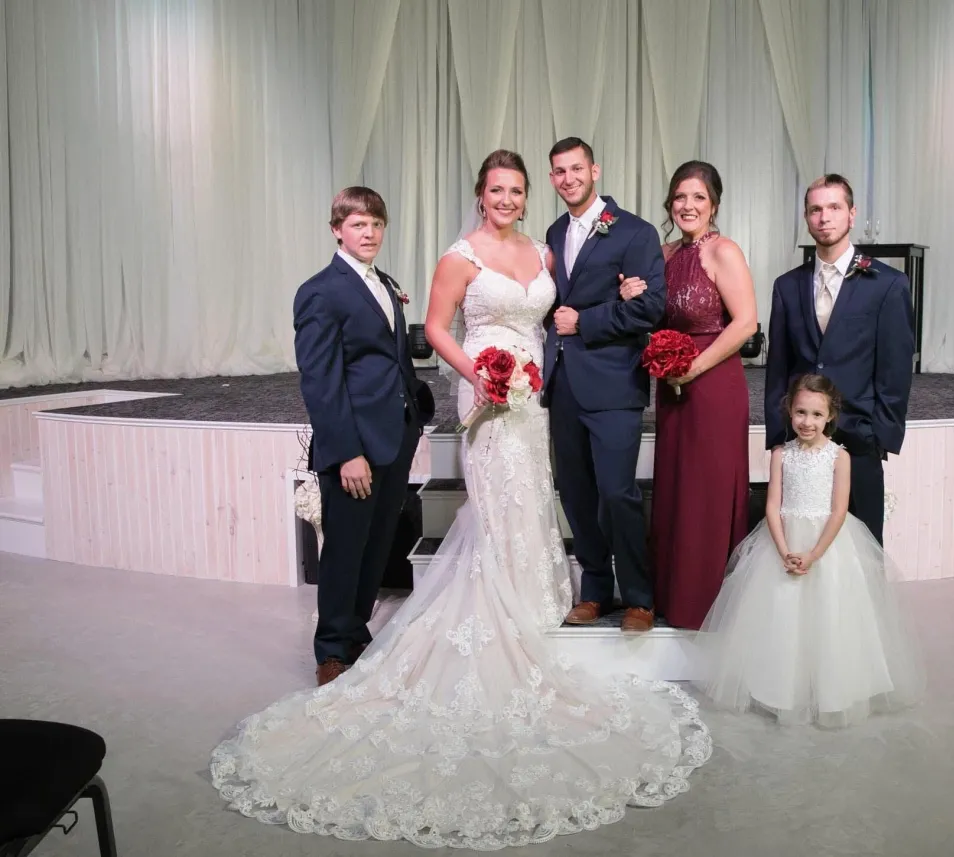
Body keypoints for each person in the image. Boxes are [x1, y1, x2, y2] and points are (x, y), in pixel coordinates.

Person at [210, 150, 711, 850]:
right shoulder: (459, 256)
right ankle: (452, 618)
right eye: (496, 189)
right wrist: (479, 373)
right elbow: (440, 327)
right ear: (481, 195)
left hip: (533, 401)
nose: (507, 198)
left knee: (534, 499)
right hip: (487, 396)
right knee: (497, 504)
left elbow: (570, 302)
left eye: (517, 190)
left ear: (528, 195)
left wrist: (624, 294)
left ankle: (534, 602)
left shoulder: (542, 249)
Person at [697, 374, 924, 728]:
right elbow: (773, 506)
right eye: (801, 412)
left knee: (830, 615)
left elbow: (839, 511)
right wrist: (784, 550)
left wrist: (814, 554)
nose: (807, 421)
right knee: (783, 616)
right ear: (790, 411)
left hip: (827, 546)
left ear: (830, 416)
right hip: (783, 542)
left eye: (817, 414)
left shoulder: (839, 457)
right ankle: (784, 689)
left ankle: (827, 688)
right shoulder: (780, 454)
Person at [292, 186, 434, 687]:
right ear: (337, 230)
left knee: (375, 547)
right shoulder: (320, 291)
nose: (369, 232)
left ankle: (355, 633)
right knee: (345, 549)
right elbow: (320, 381)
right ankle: (331, 649)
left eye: (375, 223)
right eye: (357, 224)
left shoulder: (383, 282)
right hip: (354, 444)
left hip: (394, 433)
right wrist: (347, 452)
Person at [617, 161, 756, 630]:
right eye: (680, 197)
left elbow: (745, 323)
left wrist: (693, 368)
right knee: (676, 491)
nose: (688, 205)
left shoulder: (724, 251)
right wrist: (632, 294)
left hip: (713, 384)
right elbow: (651, 313)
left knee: (707, 493)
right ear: (669, 203)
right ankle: (673, 597)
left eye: (698, 197)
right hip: (672, 387)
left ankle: (707, 604)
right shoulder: (663, 253)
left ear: (713, 204)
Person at [542, 137, 666, 633]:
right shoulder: (553, 232)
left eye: (576, 168)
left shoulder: (635, 231)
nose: (568, 178)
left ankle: (638, 596)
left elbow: (651, 307)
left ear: (594, 170)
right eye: (559, 171)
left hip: (614, 382)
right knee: (575, 493)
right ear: (552, 178)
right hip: (564, 383)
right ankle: (594, 589)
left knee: (616, 493)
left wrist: (586, 321)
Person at [764, 174, 914, 545]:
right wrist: (779, 435)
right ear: (806, 216)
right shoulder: (787, 285)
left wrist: (879, 435)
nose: (824, 217)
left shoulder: (888, 284)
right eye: (815, 209)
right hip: (801, 440)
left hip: (859, 437)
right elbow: (778, 367)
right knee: (800, 543)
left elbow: (896, 369)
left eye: (834, 207)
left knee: (863, 550)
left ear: (852, 213)